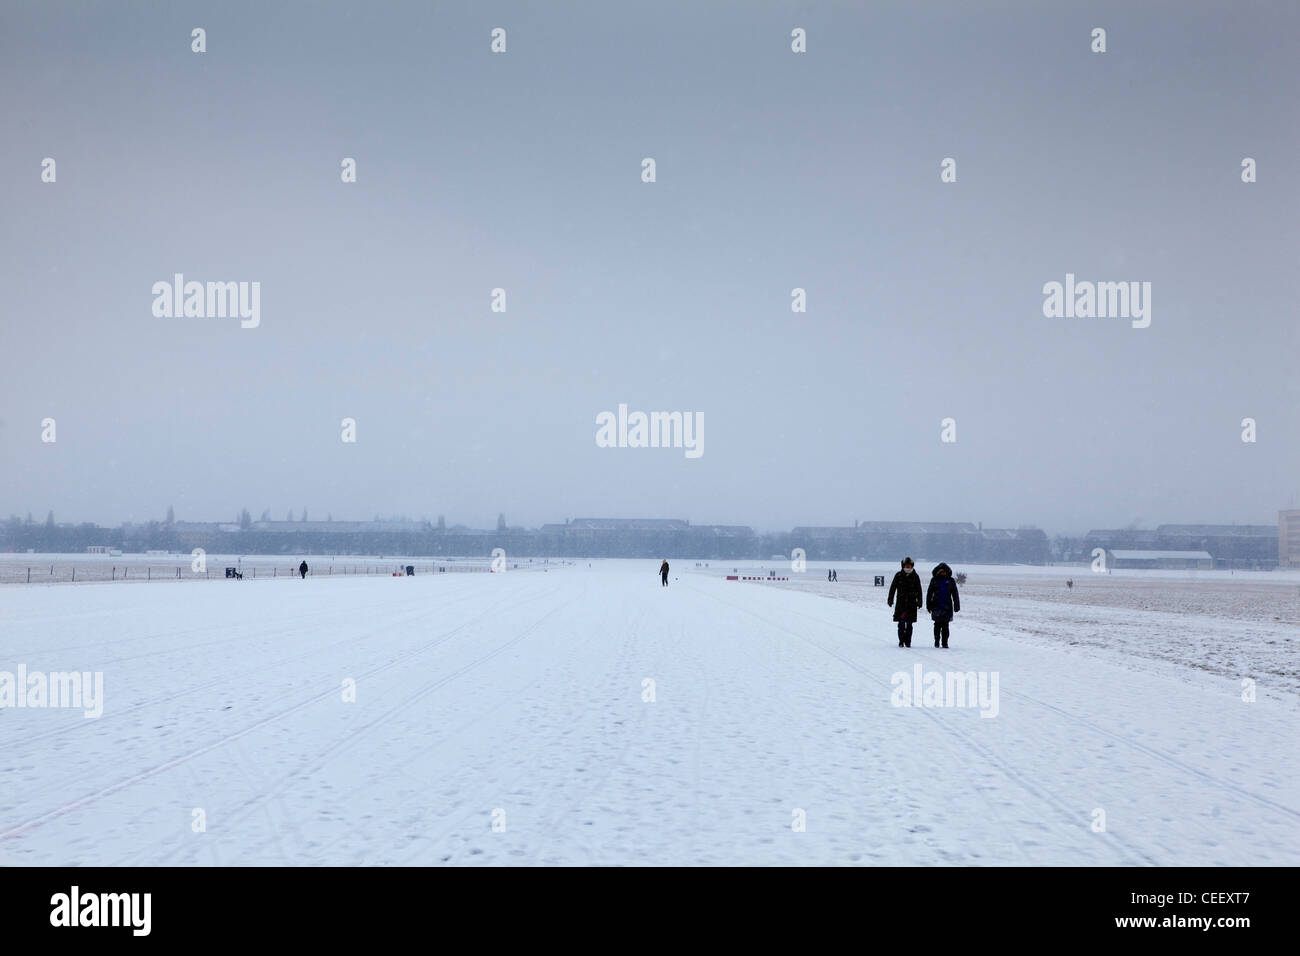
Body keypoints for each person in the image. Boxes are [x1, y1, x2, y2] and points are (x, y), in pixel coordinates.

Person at [887, 557, 922, 647]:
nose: (908, 567)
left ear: (912, 566)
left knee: (909, 624)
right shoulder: (898, 575)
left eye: (909, 565)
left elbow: (919, 590)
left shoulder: (915, 576)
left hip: (911, 604)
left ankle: (908, 642)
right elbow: (893, 588)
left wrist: (920, 601)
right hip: (901, 604)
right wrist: (890, 599)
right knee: (901, 624)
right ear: (903, 566)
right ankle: (901, 641)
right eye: (906, 565)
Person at [926, 562, 961, 648]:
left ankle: (945, 642)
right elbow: (929, 593)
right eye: (941, 572)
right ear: (938, 572)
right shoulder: (934, 580)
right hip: (936, 606)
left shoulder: (951, 581)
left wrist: (957, 605)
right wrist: (928, 604)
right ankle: (937, 641)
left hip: (947, 607)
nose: (943, 573)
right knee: (937, 625)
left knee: (946, 626)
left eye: (944, 572)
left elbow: (955, 594)